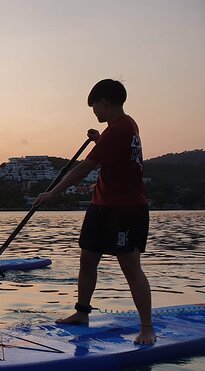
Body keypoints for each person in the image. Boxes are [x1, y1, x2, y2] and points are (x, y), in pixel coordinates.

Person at [33, 79, 155, 344]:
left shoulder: (120, 129)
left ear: (105, 102)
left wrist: (52, 193)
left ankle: (147, 327)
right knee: (88, 258)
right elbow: (114, 152)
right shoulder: (125, 125)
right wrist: (99, 140)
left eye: (95, 107)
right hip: (102, 206)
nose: (94, 113)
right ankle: (82, 313)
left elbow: (82, 169)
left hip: (127, 209)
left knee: (130, 266)